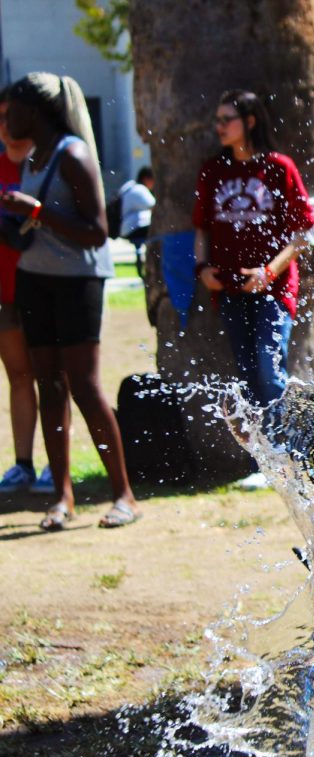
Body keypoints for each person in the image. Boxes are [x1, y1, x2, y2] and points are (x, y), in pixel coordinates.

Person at [0, 74, 139, 530]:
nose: (6, 119)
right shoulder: (33, 157)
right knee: (49, 387)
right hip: (35, 280)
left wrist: (35, 211)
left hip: (77, 282)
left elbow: (97, 231)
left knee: (83, 385)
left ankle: (123, 495)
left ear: (35, 112)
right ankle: (62, 497)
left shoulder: (73, 155)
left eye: (11, 110)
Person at [193, 88, 314, 491]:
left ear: (249, 121)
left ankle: (281, 456)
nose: (219, 127)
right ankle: (263, 457)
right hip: (228, 287)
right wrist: (202, 269)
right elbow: (201, 228)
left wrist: (269, 270)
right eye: (217, 120)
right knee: (248, 373)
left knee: (269, 367)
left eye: (225, 119)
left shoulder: (278, 167)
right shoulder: (213, 170)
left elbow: (302, 235)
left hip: (272, 287)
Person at [0, 85, 51, 495]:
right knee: (19, 375)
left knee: (56, 376)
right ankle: (23, 464)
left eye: (12, 116)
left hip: (49, 286)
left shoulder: (49, 166)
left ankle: (58, 462)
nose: (8, 127)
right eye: (1, 119)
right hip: (5, 291)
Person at [117, 166, 155, 278]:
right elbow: (155, 206)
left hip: (124, 227)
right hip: (133, 228)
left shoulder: (129, 186)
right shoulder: (140, 190)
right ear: (146, 179)